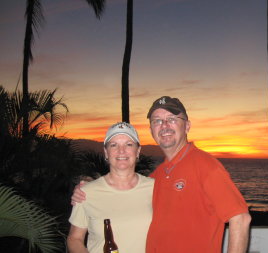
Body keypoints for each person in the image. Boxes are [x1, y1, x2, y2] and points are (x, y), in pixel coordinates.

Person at [73, 96, 251, 253]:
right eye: (157, 121)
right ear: (151, 130)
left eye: (172, 119)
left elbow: (240, 218)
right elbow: (122, 192)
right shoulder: (155, 178)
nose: (164, 125)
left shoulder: (205, 166)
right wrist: (87, 186)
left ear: (187, 125)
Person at [67, 122, 154, 253]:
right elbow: (74, 239)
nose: (121, 151)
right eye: (114, 145)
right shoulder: (86, 192)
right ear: (106, 152)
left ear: (138, 151)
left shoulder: (155, 188)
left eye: (129, 144)